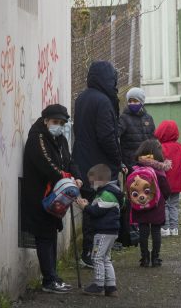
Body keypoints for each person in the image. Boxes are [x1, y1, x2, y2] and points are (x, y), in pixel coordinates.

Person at [21, 104, 83, 294]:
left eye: (62, 122)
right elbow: (46, 164)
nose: (59, 125)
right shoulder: (37, 137)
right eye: (56, 122)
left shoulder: (60, 139)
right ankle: (48, 280)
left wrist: (77, 176)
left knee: (51, 233)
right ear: (46, 121)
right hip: (40, 195)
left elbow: (69, 160)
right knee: (44, 235)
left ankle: (53, 276)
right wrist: (66, 178)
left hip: (56, 196)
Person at [73, 60, 123, 268]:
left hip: (83, 161)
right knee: (101, 207)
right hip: (100, 165)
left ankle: (88, 251)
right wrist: (118, 159)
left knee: (89, 208)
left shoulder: (82, 98)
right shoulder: (103, 101)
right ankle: (97, 253)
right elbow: (106, 136)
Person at [75, 164, 123, 297]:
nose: (90, 185)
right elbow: (99, 208)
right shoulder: (111, 192)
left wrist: (85, 207)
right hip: (111, 232)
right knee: (106, 259)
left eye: (92, 181)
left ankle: (98, 285)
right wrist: (88, 205)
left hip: (103, 232)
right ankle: (111, 286)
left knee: (96, 257)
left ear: (100, 180)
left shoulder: (106, 194)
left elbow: (96, 212)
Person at [130, 139, 171, 267]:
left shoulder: (135, 169)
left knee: (143, 231)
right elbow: (166, 190)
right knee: (156, 231)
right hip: (156, 206)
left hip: (140, 205)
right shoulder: (159, 170)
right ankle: (155, 257)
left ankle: (144, 258)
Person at [118, 87, 156, 168]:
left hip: (147, 161)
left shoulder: (148, 118)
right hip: (130, 163)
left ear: (141, 102)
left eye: (135, 101)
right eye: (130, 101)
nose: (132, 103)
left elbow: (153, 139)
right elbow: (116, 136)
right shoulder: (124, 118)